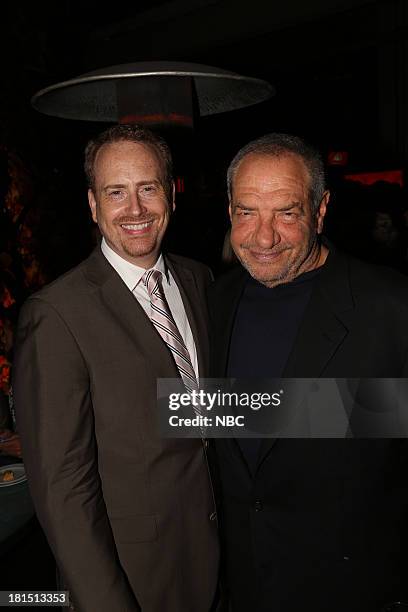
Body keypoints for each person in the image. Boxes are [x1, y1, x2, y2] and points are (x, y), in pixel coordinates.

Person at [14, 124, 219, 612]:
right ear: (92, 204)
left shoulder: (200, 279)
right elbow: (63, 491)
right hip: (131, 578)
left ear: (171, 193)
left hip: (212, 560)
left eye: (147, 188)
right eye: (116, 192)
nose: (135, 209)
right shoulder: (56, 314)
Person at [208, 133, 408, 612]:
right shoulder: (214, 302)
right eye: (247, 212)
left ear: (320, 211)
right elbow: (209, 423)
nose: (263, 237)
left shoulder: (391, 305)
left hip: (355, 590)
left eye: (287, 212)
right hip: (243, 587)